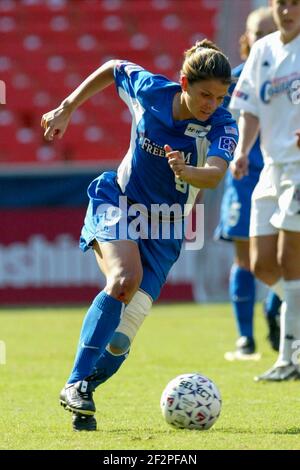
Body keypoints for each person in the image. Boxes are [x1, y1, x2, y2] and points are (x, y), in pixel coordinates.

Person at [41, 40, 238, 431]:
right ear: (184, 82)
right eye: (204, 95)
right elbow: (114, 66)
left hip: (167, 230)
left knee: (119, 342)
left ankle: (84, 396)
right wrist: (67, 107)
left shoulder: (222, 125)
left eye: (219, 96)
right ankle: (75, 382)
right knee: (123, 280)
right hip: (119, 202)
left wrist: (187, 172)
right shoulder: (150, 91)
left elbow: (215, 174)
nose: (211, 104)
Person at [230, 0, 300, 381]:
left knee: (292, 262)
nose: (287, 11)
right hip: (270, 168)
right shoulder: (264, 49)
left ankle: (289, 359)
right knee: (262, 265)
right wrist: (242, 150)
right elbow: (250, 108)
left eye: (295, 3)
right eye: (281, 3)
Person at [214, 7, 281, 361]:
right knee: (244, 258)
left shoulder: (291, 76)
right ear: (247, 39)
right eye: (259, 32)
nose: (265, 38)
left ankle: (275, 315)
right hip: (243, 179)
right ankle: (245, 339)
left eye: (271, 32)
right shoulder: (230, 83)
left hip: (284, 175)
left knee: (283, 258)